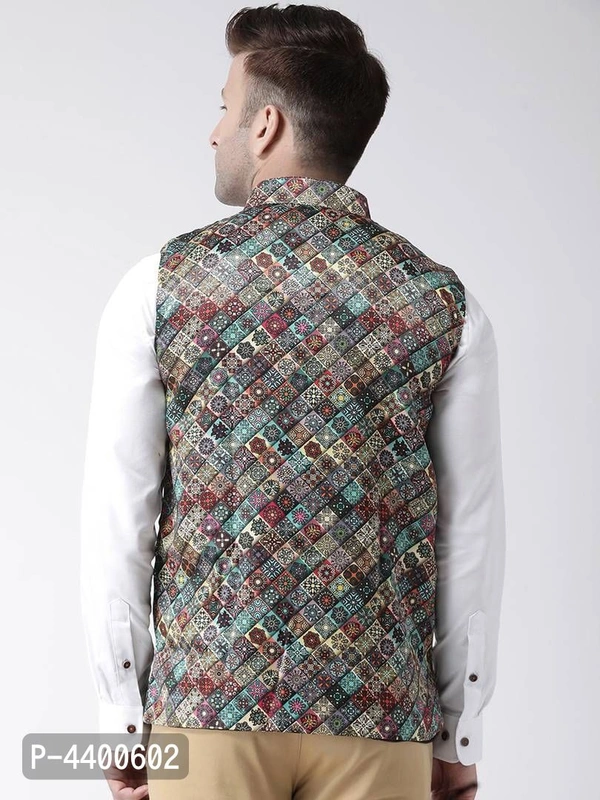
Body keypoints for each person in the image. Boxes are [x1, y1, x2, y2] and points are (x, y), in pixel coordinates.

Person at [79, 4, 506, 800]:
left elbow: (120, 520)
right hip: (380, 720)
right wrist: (459, 732)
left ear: (267, 124)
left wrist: (123, 722)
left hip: (207, 710)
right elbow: (469, 537)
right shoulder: (442, 303)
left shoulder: (161, 286)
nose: (214, 132)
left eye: (224, 108)